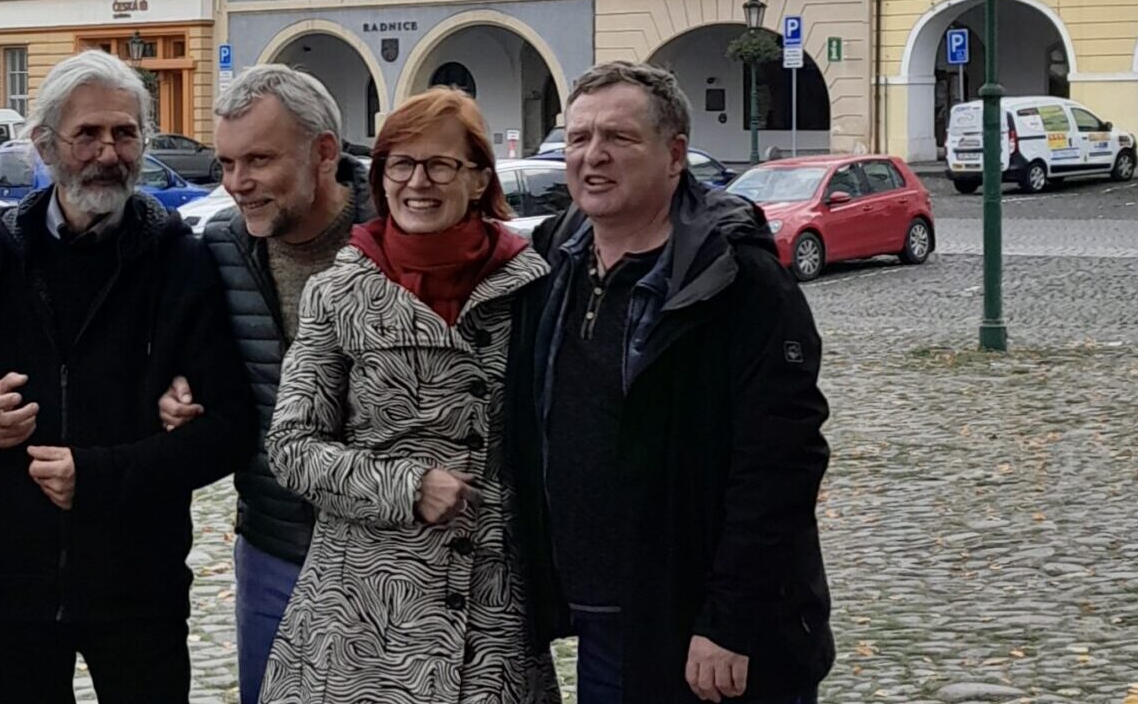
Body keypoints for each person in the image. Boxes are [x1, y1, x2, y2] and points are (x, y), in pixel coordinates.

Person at [0, 49, 254, 704]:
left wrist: (99, 475)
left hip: (140, 585)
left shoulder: (178, 260)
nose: (110, 150)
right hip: (10, 587)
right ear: (45, 145)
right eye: (88, 134)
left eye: (126, 132)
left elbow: (230, 428)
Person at [506, 62, 832, 704]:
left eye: (619, 139)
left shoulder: (736, 279)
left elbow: (780, 464)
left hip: (706, 633)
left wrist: (730, 619)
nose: (592, 157)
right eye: (578, 139)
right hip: (604, 618)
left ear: (674, 155)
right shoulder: (555, 261)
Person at [261, 87, 554, 704]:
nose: (418, 181)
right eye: (401, 163)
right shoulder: (338, 294)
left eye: (440, 164)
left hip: (488, 601)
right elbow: (291, 447)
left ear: (477, 179)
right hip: (361, 610)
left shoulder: (532, 287)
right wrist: (408, 487)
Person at [176, 65, 374, 704]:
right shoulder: (223, 248)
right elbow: (204, 367)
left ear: (323, 154)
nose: (237, 183)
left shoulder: (398, 237)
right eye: (228, 163)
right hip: (273, 547)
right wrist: (179, 391)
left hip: (390, 552)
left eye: (258, 160)